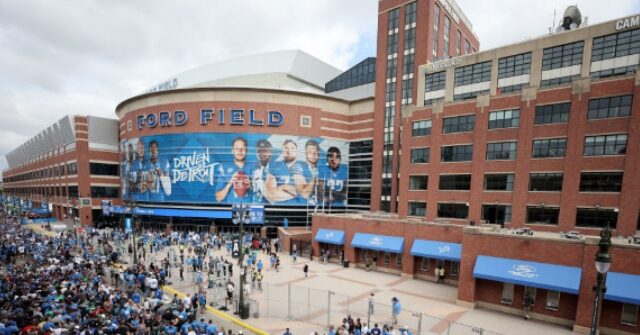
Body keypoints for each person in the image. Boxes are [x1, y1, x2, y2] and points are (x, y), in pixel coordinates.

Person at [215, 137, 255, 203]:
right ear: (232, 151)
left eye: (243, 148)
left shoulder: (254, 167)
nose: (240, 151)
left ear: (247, 150)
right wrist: (230, 183)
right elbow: (218, 198)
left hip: (250, 208)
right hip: (231, 209)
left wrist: (252, 186)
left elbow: (263, 195)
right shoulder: (224, 168)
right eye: (237, 149)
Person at [266, 139, 305, 204]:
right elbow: (271, 194)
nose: (289, 151)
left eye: (292, 148)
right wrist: (297, 194)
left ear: (296, 151)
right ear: (282, 151)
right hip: (279, 210)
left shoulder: (305, 166)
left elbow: (306, 193)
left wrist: (283, 188)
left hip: (301, 210)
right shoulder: (274, 166)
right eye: (286, 148)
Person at [251, 139, 273, 203]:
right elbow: (255, 190)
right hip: (256, 206)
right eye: (259, 151)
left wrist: (259, 181)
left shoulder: (275, 169)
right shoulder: (254, 170)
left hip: (270, 208)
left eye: (265, 150)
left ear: (270, 152)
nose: (262, 153)